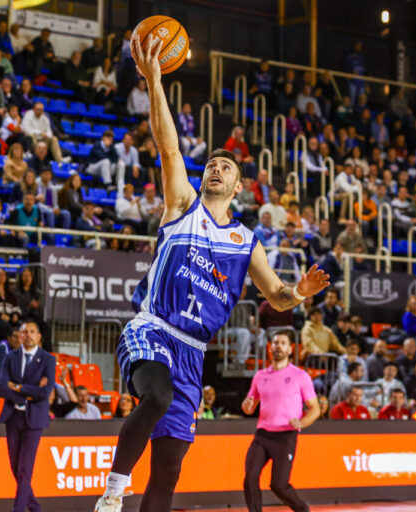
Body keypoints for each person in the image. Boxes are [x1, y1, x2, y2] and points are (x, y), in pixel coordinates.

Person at [93, 35, 330, 512]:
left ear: (238, 187)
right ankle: (114, 490)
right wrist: (155, 81)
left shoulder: (246, 241)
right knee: (155, 397)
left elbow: (277, 297)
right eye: (212, 165)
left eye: (226, 167)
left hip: (193, 352)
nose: (216, 169)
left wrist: (300, 291)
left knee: (168, 472)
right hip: (153, 328)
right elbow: (168, 147)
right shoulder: (183, 204)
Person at [242, 330, 320, 512]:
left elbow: (315, 409)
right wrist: (246, 406)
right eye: (276, 343)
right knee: (250, 476)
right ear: (270, 347)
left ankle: (303, 510)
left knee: (279, 485)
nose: (278, 346)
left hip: (285, 436)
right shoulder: (260, 376)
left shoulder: (300, 376)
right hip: (262, 435)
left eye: (283, 343)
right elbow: (249, 407)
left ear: (290, 349)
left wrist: (302, 423)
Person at [0, 321, 55, 512]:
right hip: (13, 416)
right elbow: (1, 387)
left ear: (39, 336)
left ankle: (19, 509)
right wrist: (27, 395)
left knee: (25, 469)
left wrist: (18, 387)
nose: (28, 334)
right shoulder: (10, 357)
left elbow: (44, 392)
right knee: (15, 467)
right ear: (19, 336)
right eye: (24, 332)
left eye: (32, 331)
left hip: (34, 419)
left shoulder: (47, 359)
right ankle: (35, 508)